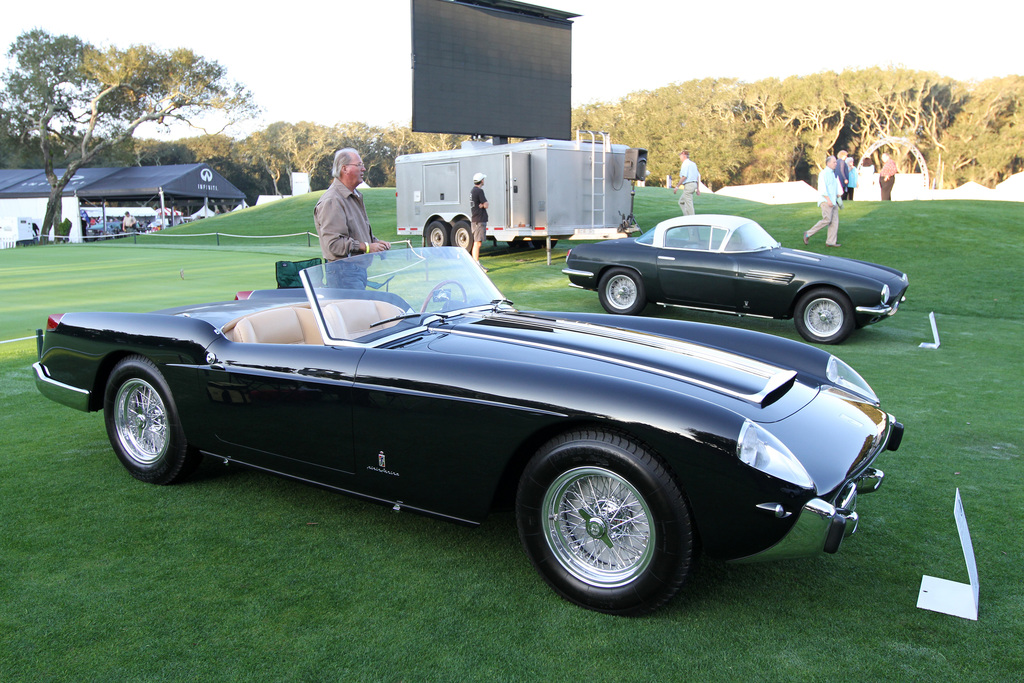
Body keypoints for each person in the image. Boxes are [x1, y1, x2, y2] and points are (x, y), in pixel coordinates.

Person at [314, 148, 390, 289]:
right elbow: (334, 244)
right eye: (359, 165)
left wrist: (376, 243)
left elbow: (356, 232)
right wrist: (367, 247)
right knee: (353, 311)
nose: (364, 168)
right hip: (343, 273)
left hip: (356, 271)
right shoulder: (332, 200)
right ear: (344, 169)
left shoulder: (354, 196)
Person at [803, 156, 842, 248]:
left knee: (835, 222)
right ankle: (808, 234)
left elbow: (834, 187)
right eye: (834, 162)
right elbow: (822, 189)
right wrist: (828, 200)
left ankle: (831, 242)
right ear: (828, 163)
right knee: (827, 220)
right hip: (826, 201)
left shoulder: (833, 174)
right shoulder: (823, 174)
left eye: (836, 162)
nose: (836, 164)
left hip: (833, 201)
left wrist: (838, 198)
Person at [469, 172, 488, 270]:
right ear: (481, 181)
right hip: (479, 220)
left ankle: (476, 263)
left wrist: (482, 205)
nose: (484, 180)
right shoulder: (479, 191)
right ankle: (476, 264)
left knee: (477, 242)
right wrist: (483, 205)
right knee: (477, 243)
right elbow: (486, 204)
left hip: (476, 220)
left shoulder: (473, 191)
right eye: (483, 179)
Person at [672, 150, 701, 216]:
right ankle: (686, 217)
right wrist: (698, 188)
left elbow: (684, 176)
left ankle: (691, 218)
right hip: (694, 185)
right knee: (681, 202)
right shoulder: (693, 164)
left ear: (684, 155)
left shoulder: (685, 164)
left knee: (688, 203)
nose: (680, 157)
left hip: (689, 185)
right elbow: (697, 176)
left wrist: (677, 186)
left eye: (680, 156)